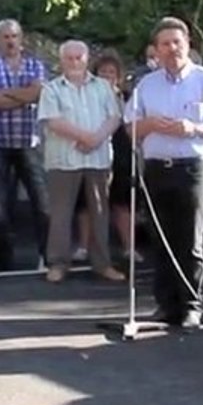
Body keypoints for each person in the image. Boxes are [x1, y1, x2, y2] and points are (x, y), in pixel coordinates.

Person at [126, 17, 203, 329]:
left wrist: (194, 128)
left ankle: (190, 306)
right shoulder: (147, 84)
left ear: (188, 45)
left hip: (192, 169)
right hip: (157, 169)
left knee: (190, 240)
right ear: (156, 50)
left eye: (177, 42)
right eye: (165, 44)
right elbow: (129, 128)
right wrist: (149, 124)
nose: (172, 49)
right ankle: (165, 304)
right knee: (160, 239)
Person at [38, 40, 125, 284]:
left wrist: (96, 138)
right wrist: (84, 136)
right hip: (63, 160)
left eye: (79, 58)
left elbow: (114, 117)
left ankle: (102, 263)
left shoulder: (103, 87)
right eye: (70, 58)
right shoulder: (51, 89)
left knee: (100, 212)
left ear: (87, 60)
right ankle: (58, 263)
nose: (75, 62)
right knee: (61, 214)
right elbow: (52, 121)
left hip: (97, 159)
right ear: (61, 61)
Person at [0, 18, 49, 273]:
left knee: (42, 203)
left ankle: (46, 256)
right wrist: (20, 94)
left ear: (22, 39)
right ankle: (2, 259)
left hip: (28, 142)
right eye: (6, 37)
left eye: (14, 36)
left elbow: (36, 94)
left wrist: (7, 94)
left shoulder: (35, 65)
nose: (11, 41)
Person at [74, 50, 140, 263]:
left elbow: (133, 125)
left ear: (119, 76)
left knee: (122, 203)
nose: (107, 76)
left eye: (112, 72)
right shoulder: (85, 97)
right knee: (87, 203)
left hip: (121, 156)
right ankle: (84, 247)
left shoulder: (128, 98)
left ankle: (129, 248)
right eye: (103, 72)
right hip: (93, 154)